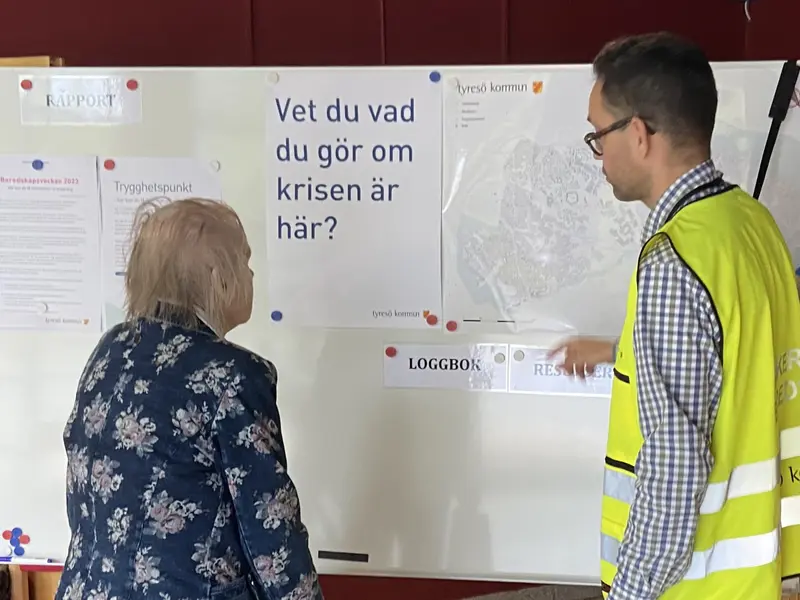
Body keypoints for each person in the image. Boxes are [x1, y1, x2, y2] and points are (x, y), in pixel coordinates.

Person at [549, 32, 800, 599]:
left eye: (598, 136)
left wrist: (629, 594)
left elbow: (674, 470)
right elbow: (737, 356)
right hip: (761, 578)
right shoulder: (750, 223)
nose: (598, 154)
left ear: (638, 134)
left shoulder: (674, 260)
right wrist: (622, 351)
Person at [56, 198, 324, 600]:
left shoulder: (110, 350)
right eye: (245, 259)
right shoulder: (234, 374)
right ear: (216, 274)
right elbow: (270, 526)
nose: (252, 273)